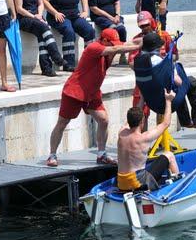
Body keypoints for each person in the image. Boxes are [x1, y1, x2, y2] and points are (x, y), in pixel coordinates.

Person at [46, 29, 141, 167]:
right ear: (103, 40)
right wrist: (139, 47)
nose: (113, 46)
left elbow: (126, 44)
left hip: (92, 92)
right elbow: (117, 48)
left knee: (103, 120)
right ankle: (52, 155)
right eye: (111, 43)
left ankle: (101, 154)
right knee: (62, 123)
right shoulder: (93, 47)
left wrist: (147, 40)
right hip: (75, 91)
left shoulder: (110, 47)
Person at [129, 11, 196, 130]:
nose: (144, 28)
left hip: (161, 80)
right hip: (147, 80)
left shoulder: (164, 35)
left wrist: (164, 62)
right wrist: (160, 64)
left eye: (146, 25)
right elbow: (132, 63)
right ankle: (142, 140)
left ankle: (162, 140)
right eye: (141, 26)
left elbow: (176, 56)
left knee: (174, 86)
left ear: (152, 22)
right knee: (142, 113)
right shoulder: (137, 40)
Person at [117, 89, 179, 191]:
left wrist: (142, 98)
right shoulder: (144, 138)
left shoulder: (121, 133)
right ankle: (177, 187)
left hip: (121, 183)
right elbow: (166, 123)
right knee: (169, 155)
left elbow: (135, 113)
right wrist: (168, 101)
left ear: (128, 120)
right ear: (142, 121)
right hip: (138, 183)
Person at [13, 0, 66, 77]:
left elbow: (41, 4)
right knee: (44, 27)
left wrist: (40, 15)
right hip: (24, 19)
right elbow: (19, 9)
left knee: (42, 36)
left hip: (37, 18)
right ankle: (56, 56)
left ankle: (46, 68)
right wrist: (34, 17)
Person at [42, 0, 95, 72]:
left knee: (89, 30)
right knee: (69, 31)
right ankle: (68, 64)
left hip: (74, 16)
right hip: (59, 17)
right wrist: (55, 13)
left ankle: (89, 60)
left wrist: (85, 11)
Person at [87, 0, 127, 65]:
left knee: (121, 29)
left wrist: (117, 15)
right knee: (112, 29)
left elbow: (117, 2)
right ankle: (109, 55)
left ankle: (123, 55)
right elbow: (93, 8)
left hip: (114, 16)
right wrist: (110, 17)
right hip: (100, 17)